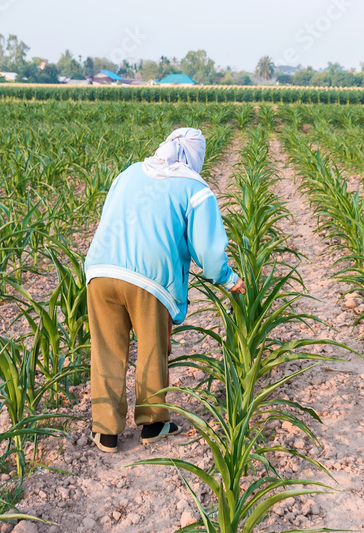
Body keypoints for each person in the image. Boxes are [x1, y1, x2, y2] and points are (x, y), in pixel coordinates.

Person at [83, 127, 244, 453]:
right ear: (195, 156)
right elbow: (208, 252)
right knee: (152, 350)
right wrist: (228, 279)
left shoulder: (128, 173)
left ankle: (106, 433)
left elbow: (108, 215)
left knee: (106, 350)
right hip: (150, 279)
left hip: (100, 269)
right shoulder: (196, 190)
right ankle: (153, 424)